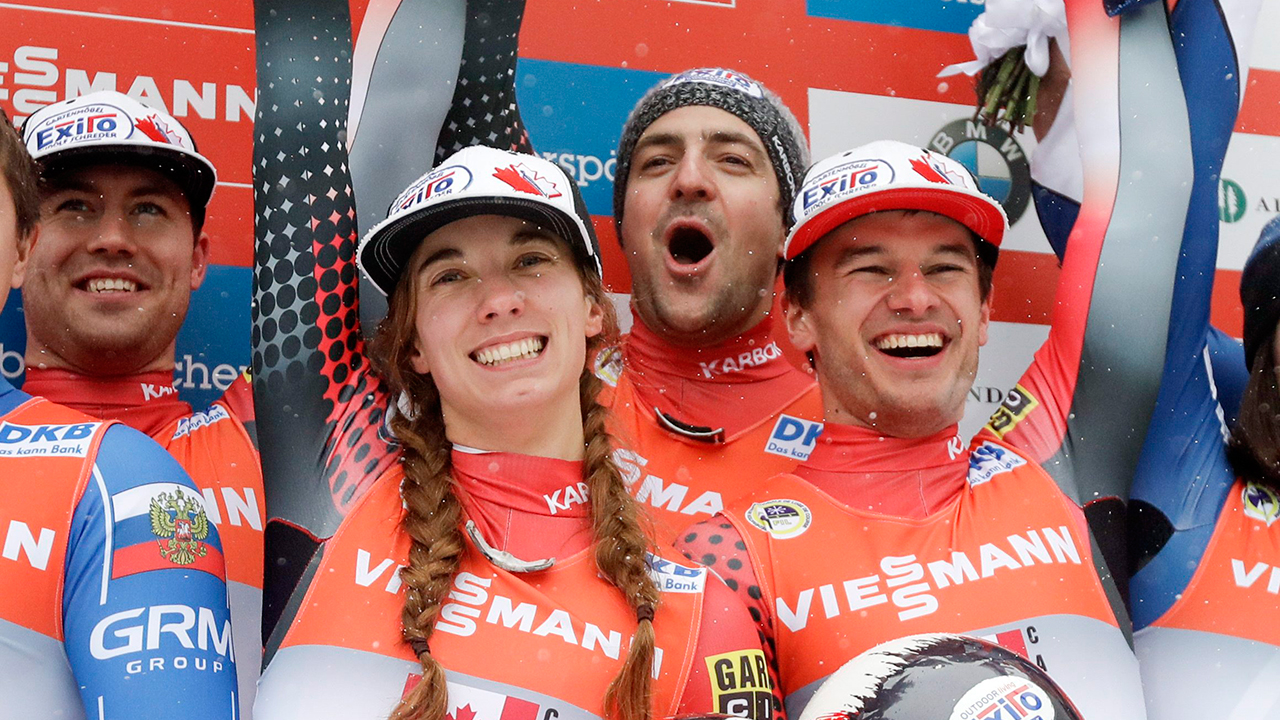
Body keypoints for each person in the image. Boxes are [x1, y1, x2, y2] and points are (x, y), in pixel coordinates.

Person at [679, 6, 1192, 711]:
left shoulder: (1055, 464)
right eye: (871, 269)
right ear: (797, 316)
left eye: (946, 268)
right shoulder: (729, 560)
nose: (915, 298)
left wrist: (1103, 17)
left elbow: (1148, 195)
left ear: (984, 311)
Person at [254, 146, 771, 720]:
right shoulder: (340, 489)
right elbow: (302, 126)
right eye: (451, 276)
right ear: (415, 341)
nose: (499, 301)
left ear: (593, 307)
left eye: (530, 260)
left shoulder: (698, 616)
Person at [19, 90, 264, 714]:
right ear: (19, 248)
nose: (112, 239)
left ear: (199, 260)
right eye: (74, 206)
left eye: (148, 209)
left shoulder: (277, 436)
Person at [604, 68, 823, 541]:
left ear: (787, 230)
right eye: (658, 162)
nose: (689, 179)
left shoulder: (841, 435)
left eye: (733, 160)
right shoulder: (538, 398)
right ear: (624, 225)